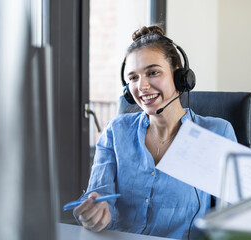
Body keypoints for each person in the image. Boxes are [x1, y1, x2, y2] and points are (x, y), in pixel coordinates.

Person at [73, 25, 237, 239]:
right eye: (133, 78)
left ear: (180, 76)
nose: (142, 86)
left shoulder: (216, 132)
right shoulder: (116, 131)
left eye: (153, 73)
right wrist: (95, 213)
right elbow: (102, 197)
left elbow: (235, 215)